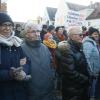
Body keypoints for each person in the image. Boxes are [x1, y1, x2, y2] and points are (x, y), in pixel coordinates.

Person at [21, 21, 56, 100]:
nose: (37, 34)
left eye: (38, 31)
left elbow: (51, 65)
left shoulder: (45, 47)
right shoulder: (21, 49)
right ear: (26, 34)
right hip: (32, 93)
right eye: (33, 31)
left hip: (48, 91)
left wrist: (52, 77)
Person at [0, 12, 31, 100]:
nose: (7, 28)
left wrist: (23, 71)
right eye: (3, 25)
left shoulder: (15, 43)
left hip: (19, 91)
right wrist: (10, 74)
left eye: (10, 25)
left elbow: (27, 61)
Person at [57, 26, 90, 100]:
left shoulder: (77, 47)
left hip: (79, 88)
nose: (82, 37)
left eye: (82, 34)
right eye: (80, 35)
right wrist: (86, 79)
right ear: (72, 36)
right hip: (73, 90)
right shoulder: (67, 50)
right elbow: (70, 72)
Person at [83, 27, 100, 100]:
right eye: (95, 34)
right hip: (92, 72)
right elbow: (86, 58)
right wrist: (91, 72)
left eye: (97, 34)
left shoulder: (93, 42)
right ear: (90, 34)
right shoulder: (88, 43)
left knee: (94, 88)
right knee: (91, 90)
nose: (97, 36)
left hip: (95, 70)